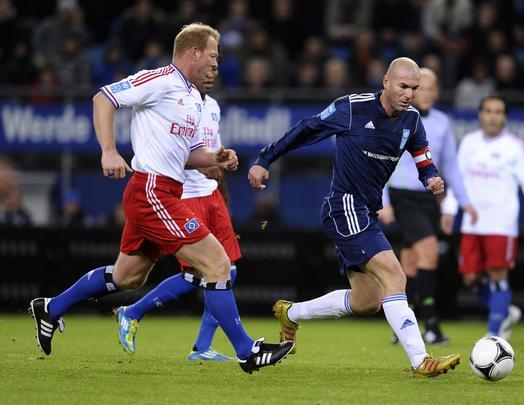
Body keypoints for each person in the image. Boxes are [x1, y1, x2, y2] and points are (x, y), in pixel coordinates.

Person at [29, 23, 293, 374]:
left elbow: (189, 155)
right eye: (213, 56)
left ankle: (51, 307)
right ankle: (247, 351)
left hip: (163, 191)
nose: (217, 64)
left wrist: (214, 159)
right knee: (217, 264)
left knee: (128, 277)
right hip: (152, 190)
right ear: (194, 52)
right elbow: (103, 98)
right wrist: (108, 151)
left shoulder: (194, 100)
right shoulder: (160, 80)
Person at [249, 57, 461, 377]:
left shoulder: (413, 121)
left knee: (368, 301)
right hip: (343, 204)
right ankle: (421, 360)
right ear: (386, 82)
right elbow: (307, 129)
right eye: (403, 86)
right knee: (395, 274)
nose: (409, 94)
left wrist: (430, 178)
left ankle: (291, 313)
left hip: (366, 212)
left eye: (414, 89)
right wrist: (266, 158)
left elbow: (423, 159)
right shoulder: (351, 107)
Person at [115, 67, 243, 362]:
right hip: (185, 195)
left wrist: (219, 177)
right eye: (208, 66)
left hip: (210, 194)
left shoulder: (211, 106)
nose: (212, 73)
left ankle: (202, 347)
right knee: (198, 274)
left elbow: (211, 152)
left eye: (216, 67)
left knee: (226, 271)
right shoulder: (173, 101)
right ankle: (135, 312)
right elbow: (175, 154)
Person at [441, 95, 524, 340]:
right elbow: (457, 180)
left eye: (498, 112)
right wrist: (450, 210)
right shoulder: (470, 143)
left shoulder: (515, 146)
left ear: (504, 117)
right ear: (480, 115)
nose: (493, 116)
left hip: (501, 223)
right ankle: (504, 310)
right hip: (472, 223)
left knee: (497, 274)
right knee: (470, 279)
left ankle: (494, 335)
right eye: (488, 111)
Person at [378, 68, 478, 345]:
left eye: (434, 88)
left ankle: (402, 324)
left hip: (428, 198)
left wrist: (461, 204)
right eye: (423, 88)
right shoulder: (398, 118)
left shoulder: (443, 123)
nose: (429, 94)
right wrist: (383, 201)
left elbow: (451, 166)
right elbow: (381, 161)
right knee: (429, 252)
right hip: (402, 194)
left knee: (410, 262)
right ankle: (432, 324)